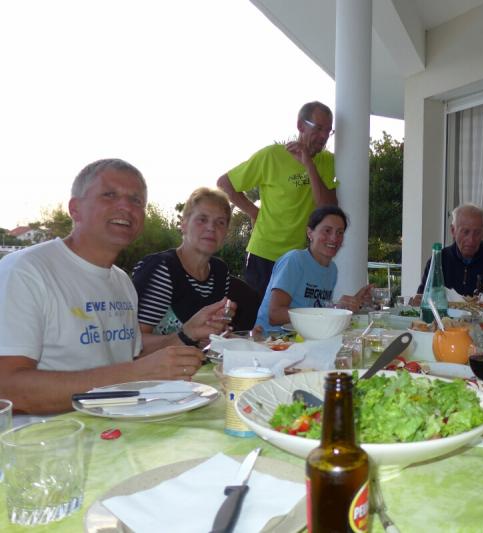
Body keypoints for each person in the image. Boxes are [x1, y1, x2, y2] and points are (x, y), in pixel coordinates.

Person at [0, 159, 229, 415]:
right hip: (48, 435)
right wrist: (134, 374)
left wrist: (186, 333)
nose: (126, 207)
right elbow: (6, 389)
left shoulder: (121, 281)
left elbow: (129, 360)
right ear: (75, 209)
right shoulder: (25, 271)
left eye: (136, 200)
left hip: (117, 425)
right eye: (109, 195)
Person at [217, 101, 338, 300]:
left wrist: (309, 164)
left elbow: (328, 209)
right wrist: (254, 212)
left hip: (299, 257)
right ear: (300, 126)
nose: (324, 136)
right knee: (257, 315)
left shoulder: (327, 162)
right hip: (264, 254)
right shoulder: (272, 155)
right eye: (318, 128)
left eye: (328, 130)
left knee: (292, 316)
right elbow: (224, 183)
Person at [132, 187, 234, 353]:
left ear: (226, 232)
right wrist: (188, 337)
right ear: (184, 224)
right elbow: (131, 344)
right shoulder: (162, 269)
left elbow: (204, 339)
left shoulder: (220, 272)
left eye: (220, 222)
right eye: (202, 219)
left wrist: (218, 336)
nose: (211, 228)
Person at [255, 206, 370, 331]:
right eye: (327, 231)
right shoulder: (294, 260)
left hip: (305, 337)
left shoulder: (332, 269)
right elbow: (275, 315)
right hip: (272, 338)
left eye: (340, 233)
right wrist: (333, 310)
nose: (334, 238)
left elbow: (319, 310)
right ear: (310, 233)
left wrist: (353, 302)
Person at [414, 203, 483, 300]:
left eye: (477, 233)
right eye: (465, 232)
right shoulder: (439, 261)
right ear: (453, 231)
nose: (471, 240)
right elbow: (422, 300)